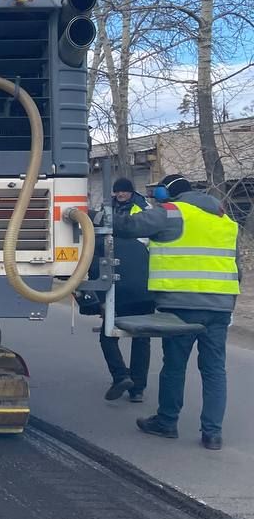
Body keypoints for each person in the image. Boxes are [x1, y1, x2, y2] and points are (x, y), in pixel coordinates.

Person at [117, 173, 242, 450]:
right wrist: (230, 303)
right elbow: (237, 268)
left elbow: (128, 227)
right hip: (220, 306)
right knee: (214, 370)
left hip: (182, 305)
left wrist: (92, 217)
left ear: (169, 192)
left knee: (175, 365)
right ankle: (212, 433)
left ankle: (167, 421)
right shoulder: (226, 220)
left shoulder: (172, 213)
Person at [97, 177, 155, 401]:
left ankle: (123, 377)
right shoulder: (108, 208)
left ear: (131, 192)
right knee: (142, 337)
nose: (120, 194)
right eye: (117, 191)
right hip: (144, 282)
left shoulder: (142, 209)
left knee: (109, 334)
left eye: (123, 191)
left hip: (123, 279)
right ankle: (137, 387)